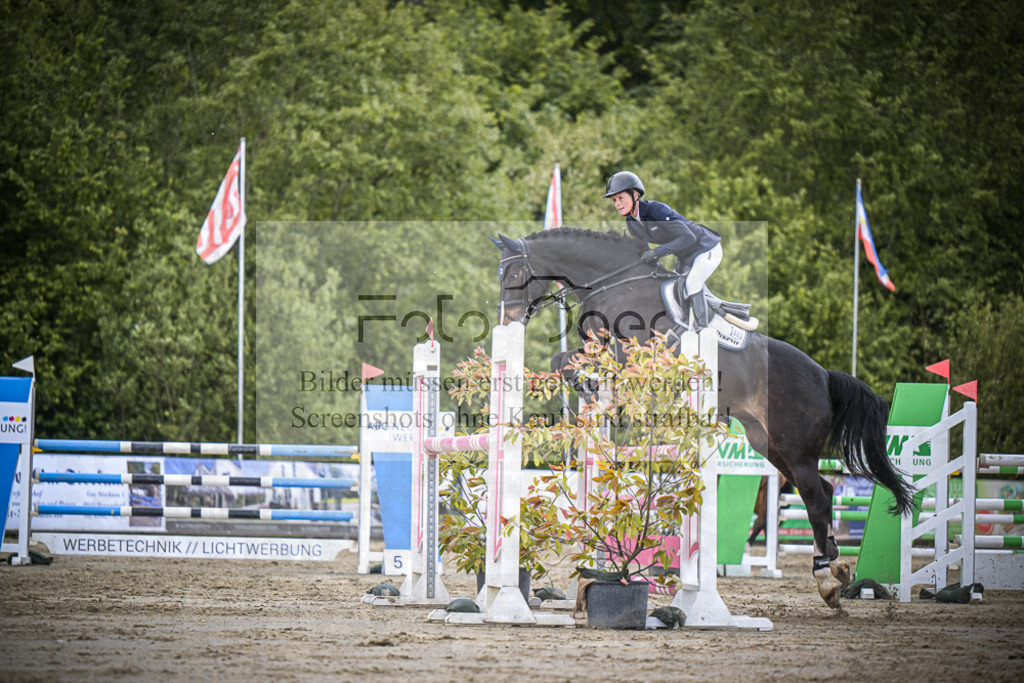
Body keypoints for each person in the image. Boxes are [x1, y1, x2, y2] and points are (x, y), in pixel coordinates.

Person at [604, 170, 722, 330]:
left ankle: (704, 330)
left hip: (706, 248)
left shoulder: (656, 210)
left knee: (692, 283)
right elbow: (644, 253)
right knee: (673, 289)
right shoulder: (631, 222)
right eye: (614, 200)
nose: (617, 204)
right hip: (686, 257)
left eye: (621, 198)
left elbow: (688, 237)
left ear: (635, 195)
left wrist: (657, 252)